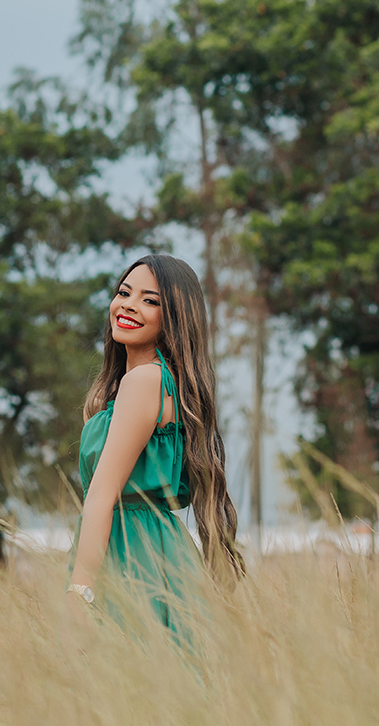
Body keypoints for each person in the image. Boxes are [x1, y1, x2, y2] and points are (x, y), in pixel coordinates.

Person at [66, 254, 245, 641]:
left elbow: (101, 494)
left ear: (174, 319)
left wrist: (79, 591)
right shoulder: (154, 383)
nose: (128, 305)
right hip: (157, 550)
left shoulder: (144, 382)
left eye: (150, 300)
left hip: (131, 554)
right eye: (124, 292)